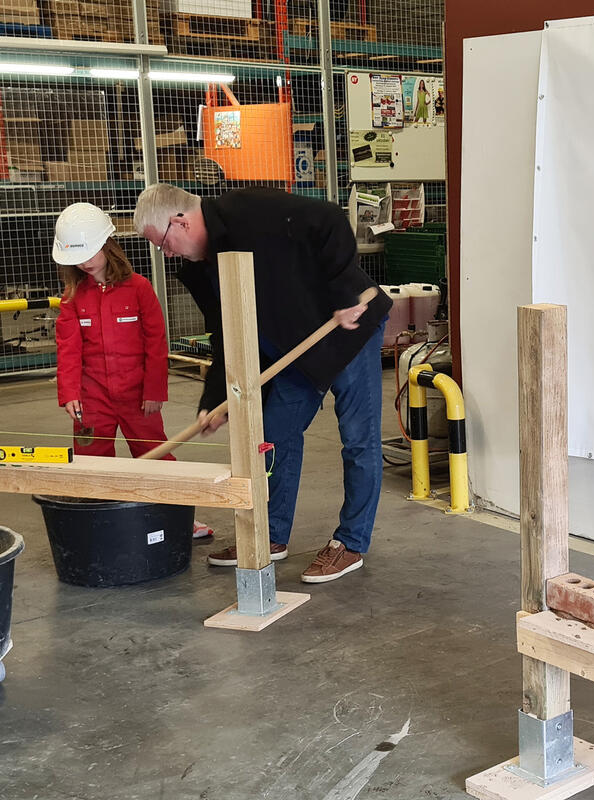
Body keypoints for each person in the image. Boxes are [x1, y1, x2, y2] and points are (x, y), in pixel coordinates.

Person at [133, 184, 392, 583]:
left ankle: (351, 542)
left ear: (181, 221)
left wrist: (343, 294)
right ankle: (271, 535)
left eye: (163, 243)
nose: (166, 254)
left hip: (346, 329)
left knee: (359, 439)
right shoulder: (200, 266)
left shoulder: (250, 211)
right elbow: (224, 333)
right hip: (296, 350)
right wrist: (213, 400)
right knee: (274, 434)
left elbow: (330, 219)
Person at [53, 203, 212, 539]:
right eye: (77, 257)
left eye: (89, 252)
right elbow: (68, 348)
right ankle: (97, 525)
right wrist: (69, 393)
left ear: (107, 244)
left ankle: (180, 517)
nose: (84, 262)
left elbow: (156, 343)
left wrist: (154, 391)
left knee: (153, 453)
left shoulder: (139, 288)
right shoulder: (72, 297)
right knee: (91, 459)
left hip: (138, 396)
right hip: (92, 398)